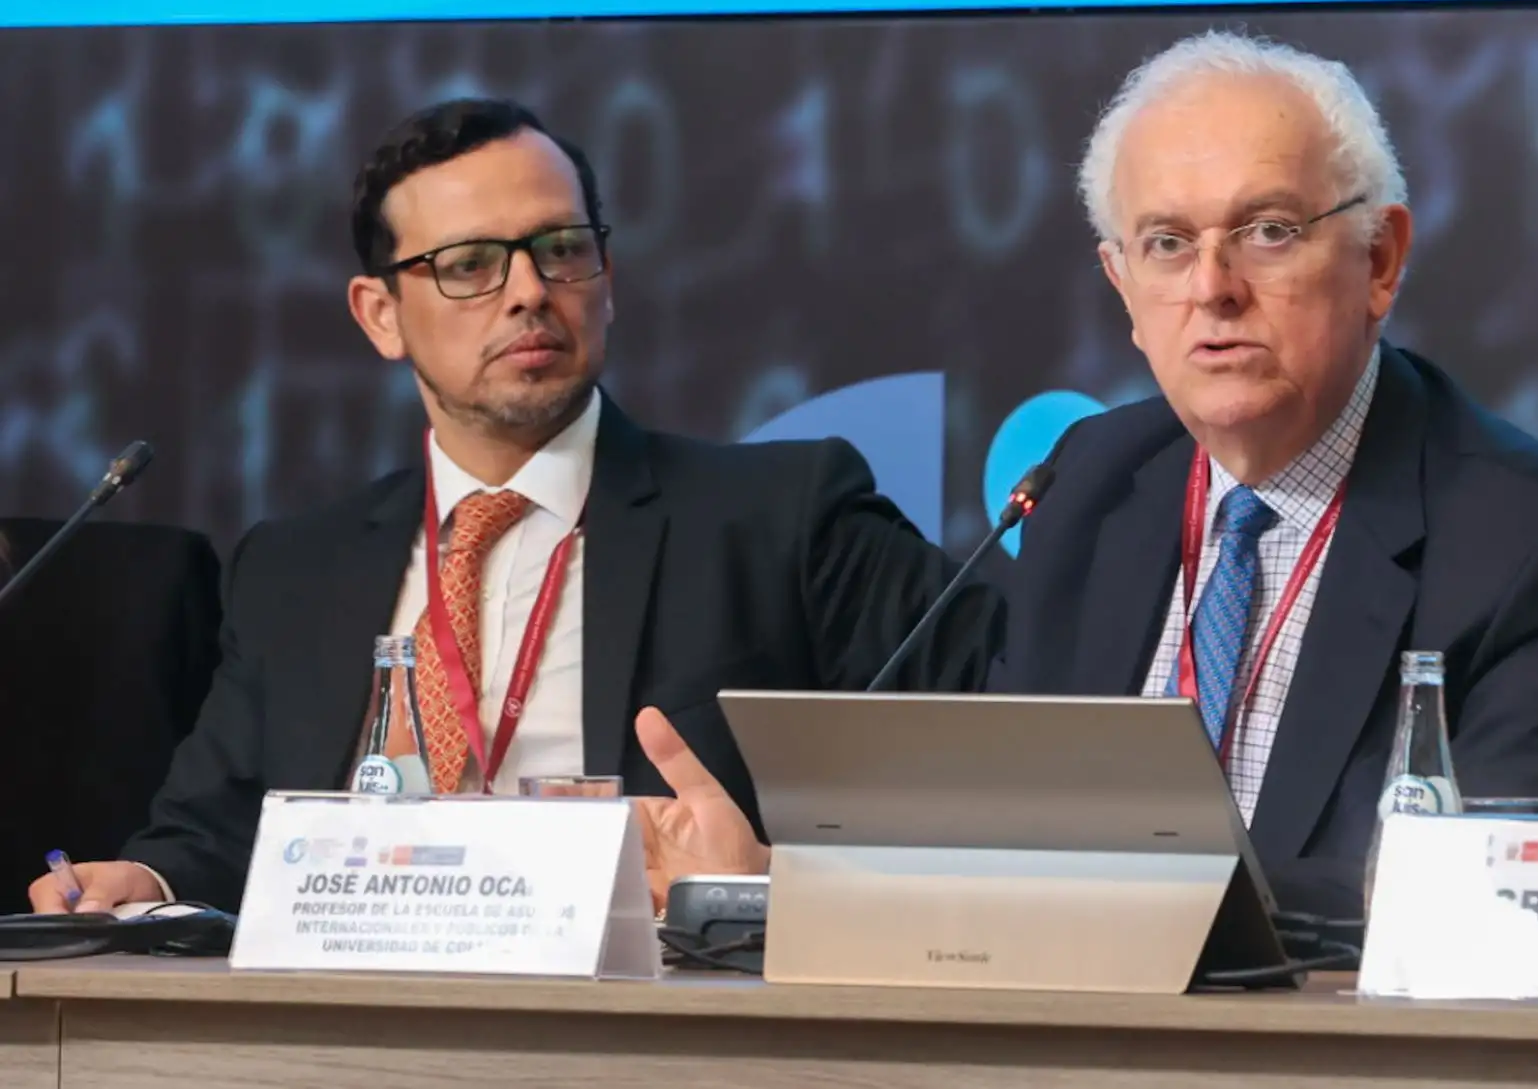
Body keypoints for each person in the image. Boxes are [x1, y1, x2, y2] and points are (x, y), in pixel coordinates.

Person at [29, 98, 998, 916]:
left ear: (608, 282)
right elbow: (212, 834)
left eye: (561, 249)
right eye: (469, 265)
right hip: (358, 1022)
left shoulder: (782, 520)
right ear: (379, 314)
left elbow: (1003, 750)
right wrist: (144, 883)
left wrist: (769, 888)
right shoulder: (294, 571)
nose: (529, 291)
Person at [984, 31, 1538, 918]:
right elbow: (1000, 828)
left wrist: (1151, 900)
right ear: (1123, 285)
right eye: (1168, 243)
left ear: (1379, 260)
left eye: (1269, 231)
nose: (1213, 287)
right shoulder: (1084, 486)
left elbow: (1506, 905)